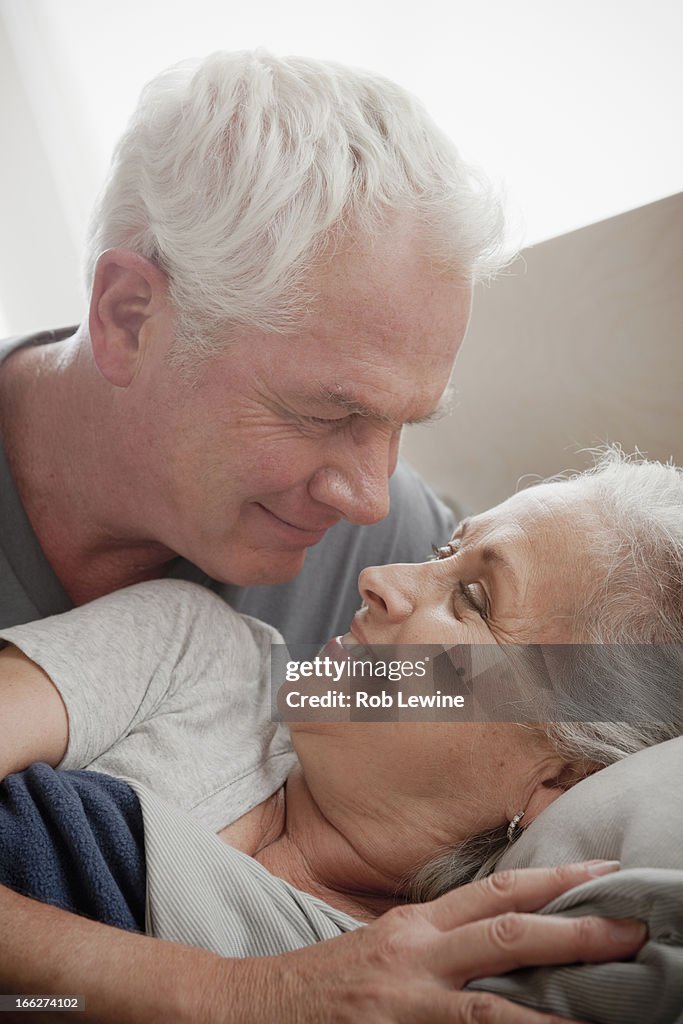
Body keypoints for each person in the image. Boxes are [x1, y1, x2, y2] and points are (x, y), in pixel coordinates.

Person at [0, 48, 647, 1023]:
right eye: (326, 411)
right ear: (130, 315)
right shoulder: (202, 643)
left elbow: (559, 724)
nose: (374, 503)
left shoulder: (376, 571)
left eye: (403, 425)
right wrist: (231, 995)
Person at [2, 449, 681, 1020]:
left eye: (472, 599)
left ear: (558, 778)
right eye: (442, 551)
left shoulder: (431, 988)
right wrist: (238, 996)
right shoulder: (195, 652)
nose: (378, 578)